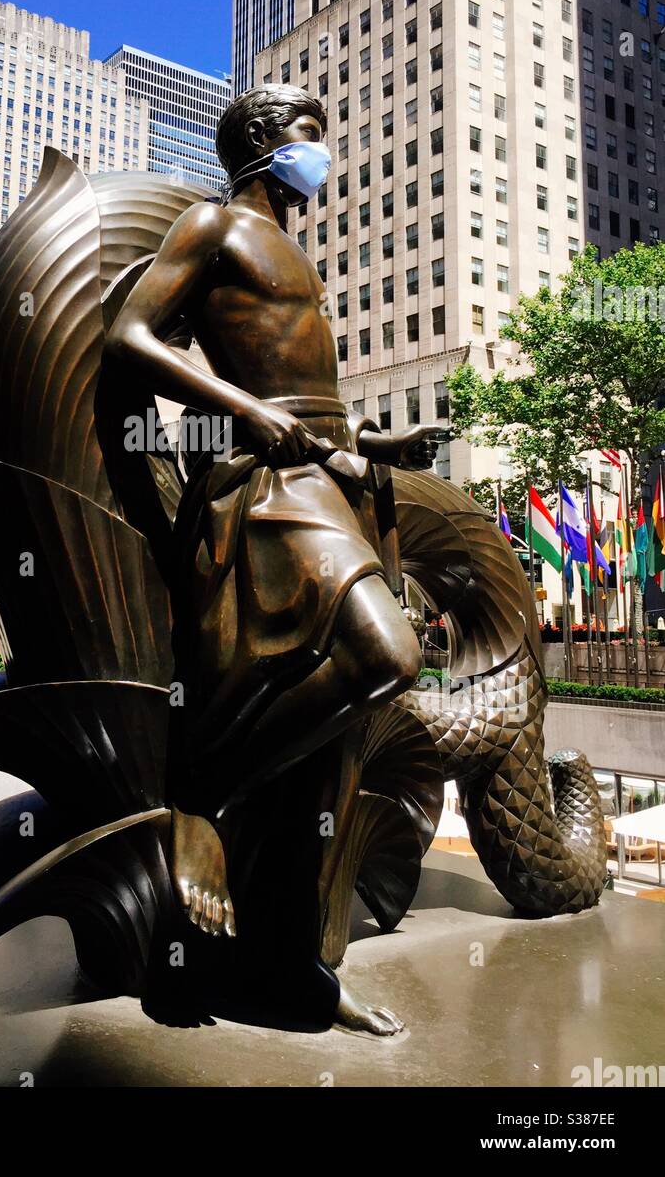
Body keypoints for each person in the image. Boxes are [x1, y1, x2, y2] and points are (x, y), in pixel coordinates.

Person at [106, 85, 446, 1031]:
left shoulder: (299, 252)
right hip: (261, 483)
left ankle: (288, 971)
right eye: (307, 137)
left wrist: (372, 445)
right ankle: (201, 799)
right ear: (260, 141)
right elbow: (128, 335)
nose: (320, 156)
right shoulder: (213, 227)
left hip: (326, 475)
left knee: (321, 761)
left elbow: (306, 391)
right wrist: (243, 410)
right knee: (389, 656)